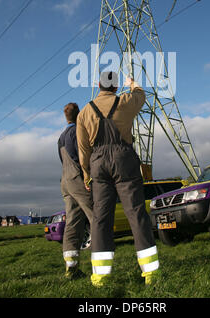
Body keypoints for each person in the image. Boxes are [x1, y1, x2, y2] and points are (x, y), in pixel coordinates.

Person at [76, 71, 159, 287]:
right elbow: (141, 96)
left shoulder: (84, 112)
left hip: (98, 162)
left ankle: (101, 276)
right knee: (136, 212)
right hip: (124, 158)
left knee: (101, 218)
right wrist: (132, 84)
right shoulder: (125, 102)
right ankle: (150, 272)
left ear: (99, 85)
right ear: (115, 87)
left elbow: (83, 149)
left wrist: (86, 174)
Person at [58, 102, 93, 279]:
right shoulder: (75, 132)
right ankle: (101, 266)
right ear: (79, 116)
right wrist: (86, 175)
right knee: (97, 217)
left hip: (65, 181)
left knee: (72, 223)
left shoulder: (62, 136)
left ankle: (71, 268)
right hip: (77, 179)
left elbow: (62, 158)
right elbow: (79, 156)